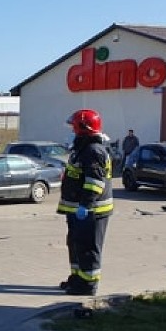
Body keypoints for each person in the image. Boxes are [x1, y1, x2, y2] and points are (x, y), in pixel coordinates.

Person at [57, 108, 114, 296]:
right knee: (75, 245)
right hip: (77, 210)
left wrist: (85, 205)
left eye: (74, 127)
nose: (72, 130)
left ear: (83, 127)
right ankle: (77, 279)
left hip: (91, 211)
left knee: (88, 248)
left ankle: (88, 285)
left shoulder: (93, 150)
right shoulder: (82, 148)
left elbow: (95, 183)